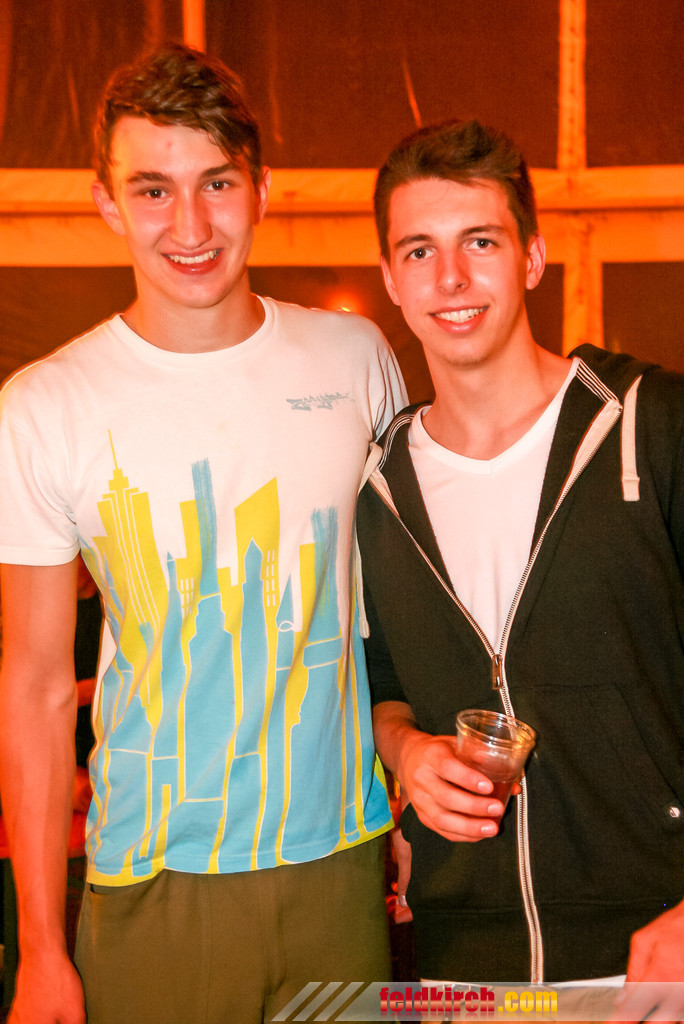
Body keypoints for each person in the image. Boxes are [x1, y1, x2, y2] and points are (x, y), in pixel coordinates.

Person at [0, 43, 407, 1024]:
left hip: (341, 865)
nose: (189, 226)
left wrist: (410, 799)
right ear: (107, 203)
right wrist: (42, 948)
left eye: (216, 183)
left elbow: (403, 613)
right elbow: (38, 685)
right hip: (151, 883)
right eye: (153, 189)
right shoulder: (44, 407)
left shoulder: (356, 357)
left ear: (261, 189)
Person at [356, 119, 684, 1012]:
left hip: (653, 956)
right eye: (419, 251)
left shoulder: (649, 426)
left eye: (480, 242)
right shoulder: (379, 485)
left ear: (532, 257)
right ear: (391, 278)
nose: (450, 278)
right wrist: (408, 750)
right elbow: (380, 683)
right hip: (464, 968)